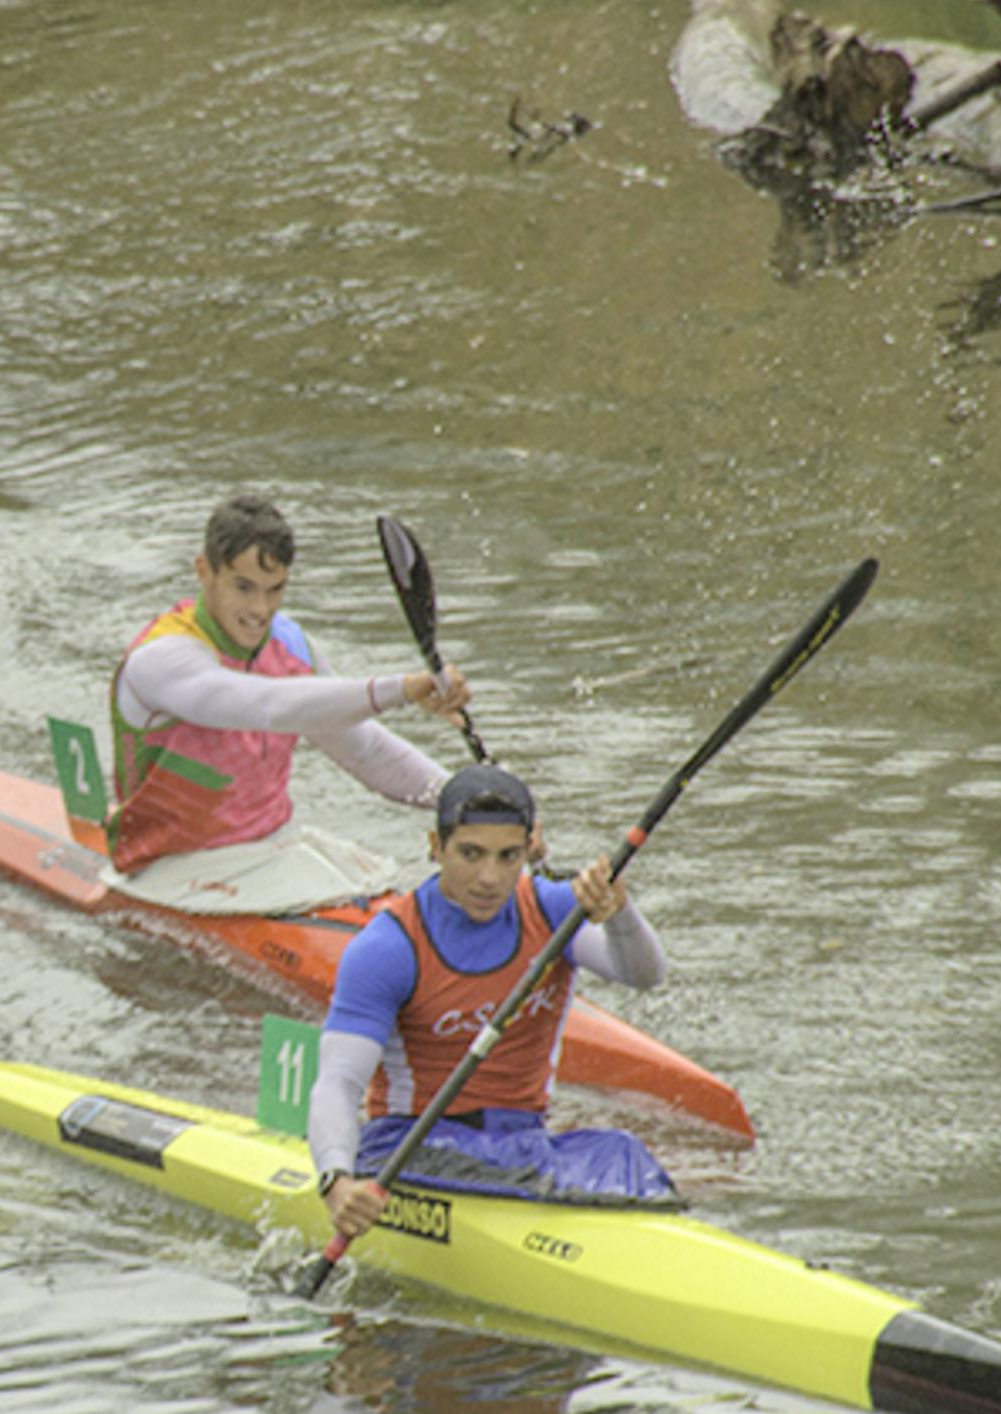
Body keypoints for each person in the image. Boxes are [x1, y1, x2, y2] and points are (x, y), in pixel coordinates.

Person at [310, 763, 677, 1243]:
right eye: (470, 854)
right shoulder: (389, 947)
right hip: (415, 1147)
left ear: (529, 849)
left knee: (622, 1151)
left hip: (523, 1145)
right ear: (435, 847)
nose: (489, 877)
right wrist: (337, 1183)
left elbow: (644, 975)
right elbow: (338, 1083)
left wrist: (620, 914)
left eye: (508, 857)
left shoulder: (549, 910)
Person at [102, 493, 477, 910]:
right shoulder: (162, 659)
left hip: (275, 850)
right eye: (243, 588)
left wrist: (469, 801)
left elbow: (366, 751)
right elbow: (268, 706)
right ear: (204, 571)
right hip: (171, 870)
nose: (259, 610)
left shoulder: (293, 647)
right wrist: (403, 691)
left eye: (274, 590)